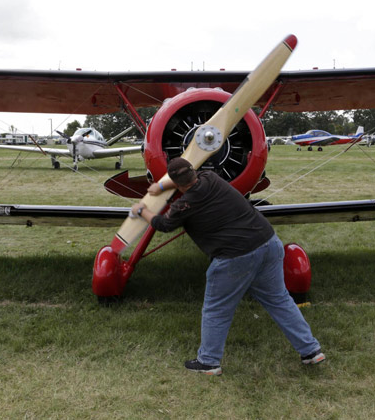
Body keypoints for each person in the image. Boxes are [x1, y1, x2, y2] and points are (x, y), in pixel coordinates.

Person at [132, 157, 325, 376]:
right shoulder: (211, 177)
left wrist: (141, 211)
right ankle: (310, 350)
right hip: (269, 243)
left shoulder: (184, 204)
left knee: (216, 309)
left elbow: (163, 224)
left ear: (177, 184)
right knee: (279, 300)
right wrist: (158, 187)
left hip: (235, 256)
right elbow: (181, 181)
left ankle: (208, 362)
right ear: (194, 172)